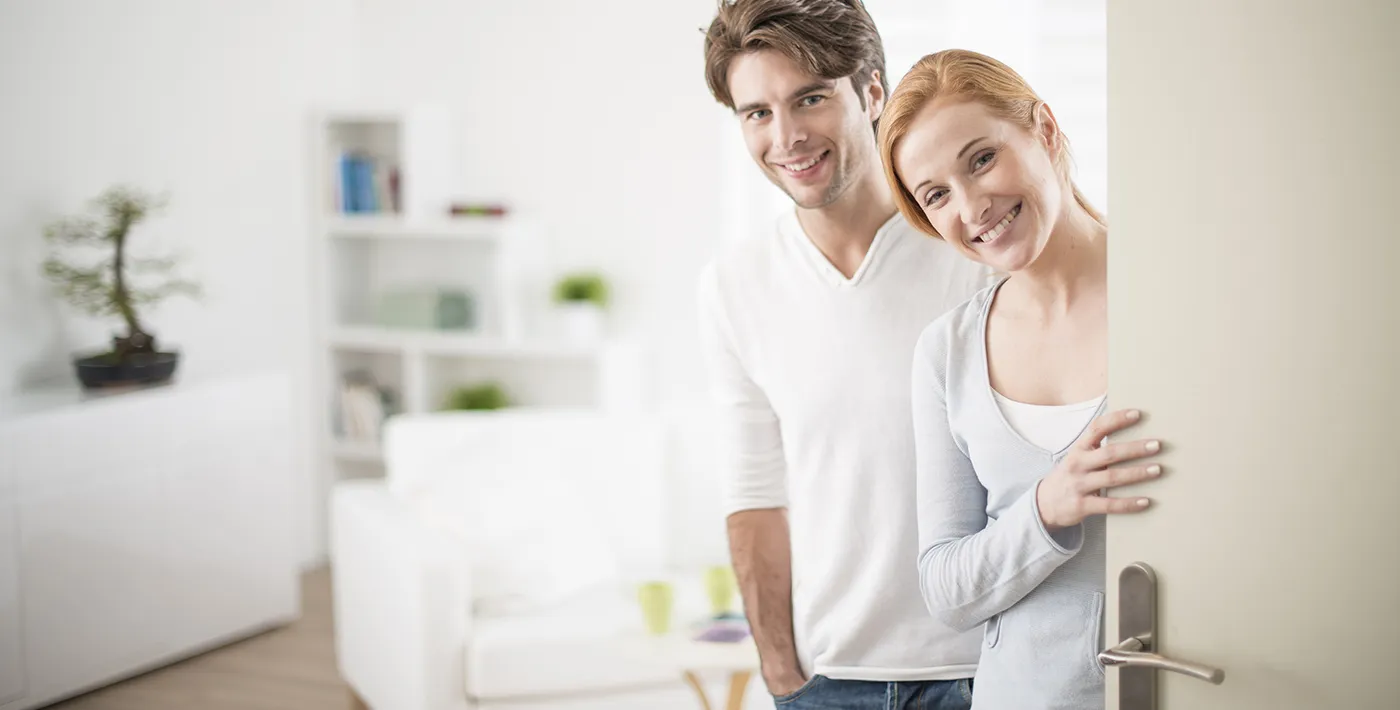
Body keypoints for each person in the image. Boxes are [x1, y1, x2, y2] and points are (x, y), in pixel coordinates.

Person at [697, 3, 995, 708]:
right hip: (827, 682)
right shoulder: (735, 285)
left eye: (810, 98)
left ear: (872, 92)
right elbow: (755, 495)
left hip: (982, 671)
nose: (787, 137)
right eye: (757, 113)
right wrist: (781, 672)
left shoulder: (975, 247)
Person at [876, 49, 1165, 708]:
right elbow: (946, 589)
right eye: (936, 195)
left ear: (1046, 130)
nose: (973, 206)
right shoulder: (947, 352)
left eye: (981, 159)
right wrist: (1045, 510)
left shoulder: (1173, 292)